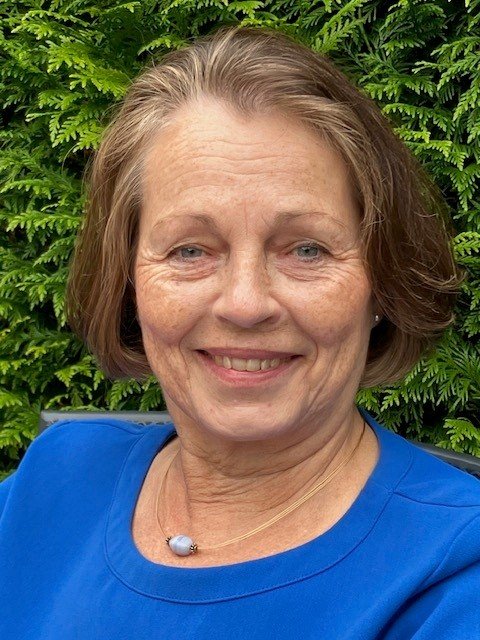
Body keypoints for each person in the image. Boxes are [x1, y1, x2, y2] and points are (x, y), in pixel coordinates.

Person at [0, 24, 479, 639]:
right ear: (128, 280)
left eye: (306, 249)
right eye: (190, 250)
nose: (246, 304)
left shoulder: (452, 577)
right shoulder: (54, 481)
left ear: (381, 284)